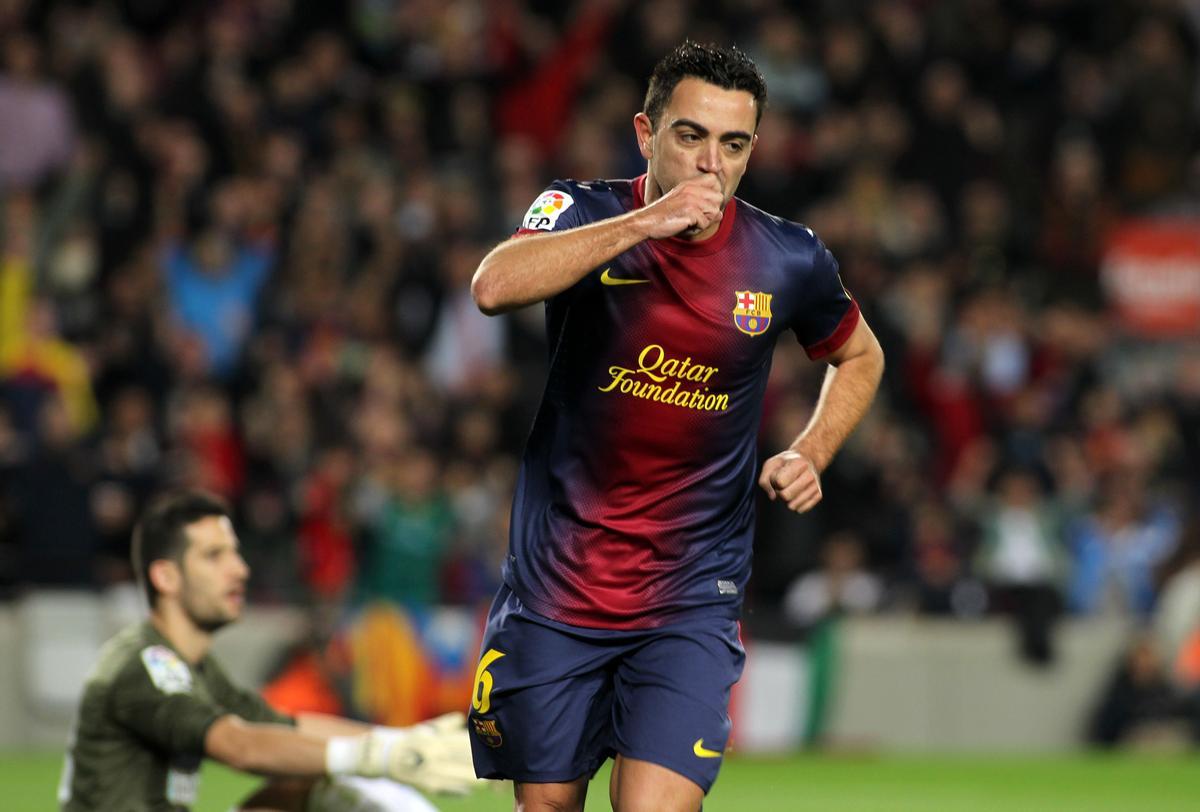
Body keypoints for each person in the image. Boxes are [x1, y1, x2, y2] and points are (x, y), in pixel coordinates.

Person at [467, 41, 884, 811]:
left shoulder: (787, 257)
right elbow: (495, 285)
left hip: (690, 596)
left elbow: (859, 354)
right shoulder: (580, 210)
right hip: (559, 588)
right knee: (548, 806)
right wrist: (646, 223)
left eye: (733, 145)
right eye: (690, 136)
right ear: (645, 134)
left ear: (753, 151)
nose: (709, 164)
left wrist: (813, 449)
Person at [58, 490, 480, 811]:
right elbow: (242, 747)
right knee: (326, 780)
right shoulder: (143, 663)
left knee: (309, 781)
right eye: (214, 555)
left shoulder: (194, 667)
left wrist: (407, 741)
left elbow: (287, 731)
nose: (239, 569)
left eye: (236, 553)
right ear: (166, 578)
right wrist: (379, 756)